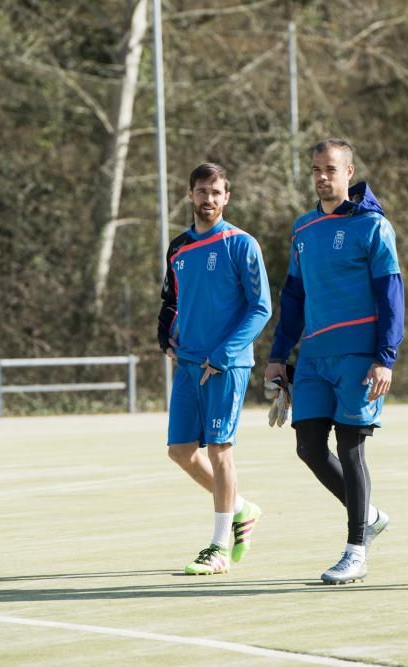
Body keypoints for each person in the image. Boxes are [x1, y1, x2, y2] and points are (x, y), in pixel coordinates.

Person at [266, 138, 404, 585]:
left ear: (349, 172)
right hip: (314, 357)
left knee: (350, 447)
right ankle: (371, 515)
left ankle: (356, 551)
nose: (322, 177)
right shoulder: (303, 228)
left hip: (360, 357)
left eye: (330, 169)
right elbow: (293, 297)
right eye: (316, 170)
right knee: (308, 447)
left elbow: (391, 297)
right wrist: (277, 357)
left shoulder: (373, 226)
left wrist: (385, 357)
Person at [157, 163, 272, 575]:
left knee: (221, 451)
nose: (209, 199)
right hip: (188, 364)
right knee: (180, 451)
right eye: (202, 192)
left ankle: (218, 547)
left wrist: (223, 354)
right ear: (190, 195)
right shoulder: (178, 248)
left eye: (217, 193)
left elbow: (261, 308)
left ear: (227, 197)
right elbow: (171, 301)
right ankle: (242, 508)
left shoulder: (241, 244)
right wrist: (165, 336)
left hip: (226, 365)